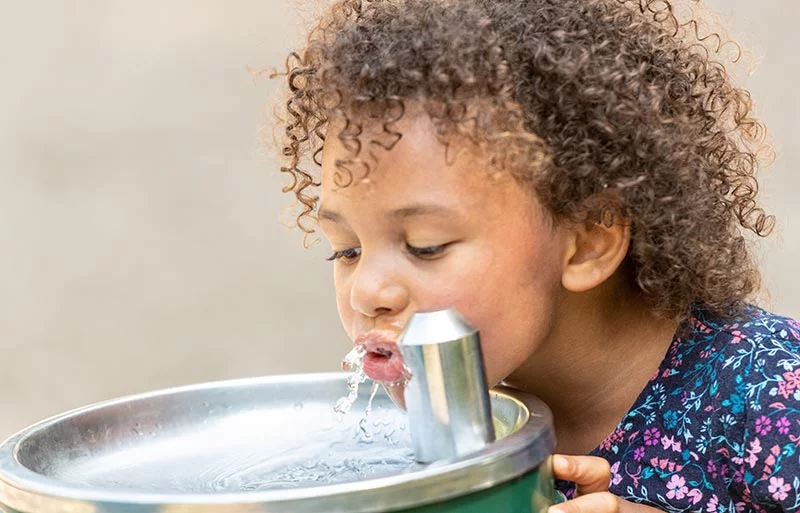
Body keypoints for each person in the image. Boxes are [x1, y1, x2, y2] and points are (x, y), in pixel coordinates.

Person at [271, 0, 800, 511]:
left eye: (425, 246)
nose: (367, 291)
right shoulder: (468, 419)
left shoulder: (771, 390)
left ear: (588, 241)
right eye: (347, 250)